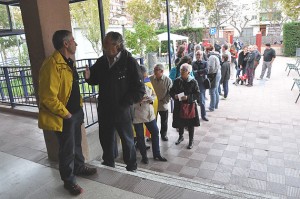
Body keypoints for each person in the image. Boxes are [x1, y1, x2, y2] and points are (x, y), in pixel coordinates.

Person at [38, 30, 97, 196]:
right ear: (66, 43)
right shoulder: (52, 65)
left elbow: (71, 88)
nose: (75, 44)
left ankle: (79, 167)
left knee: (76, 144)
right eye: (73, 41)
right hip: (64, 116)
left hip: (75, 112)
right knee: (67, 150)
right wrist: (67, 115)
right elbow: (48, 98)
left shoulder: (68, 62)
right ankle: (69, 182)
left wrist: (77, 109)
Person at [84, 31, 145, 172]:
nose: (103, 46)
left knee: (128, 141)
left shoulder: (129, 62)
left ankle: (131, 167)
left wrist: (124, 103)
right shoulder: (102, 61)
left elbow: (139, 90)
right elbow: (94, 79)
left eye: (106, 43)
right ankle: (108, 164)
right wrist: (88, 77)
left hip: (122, 110)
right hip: (105, 109)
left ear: (116, 45)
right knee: (106, 139)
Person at [133, 66, 167, 164]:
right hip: (138, 114)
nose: (145, 78)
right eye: (143, 76)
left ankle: (157, 154)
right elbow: (129, 101)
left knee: (155, 132)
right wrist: (138, 100)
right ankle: (144, 156)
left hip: (149, 113)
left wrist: (151, 98)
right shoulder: (132, 86)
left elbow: (154, 95)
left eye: (145, 76)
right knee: (140, 136)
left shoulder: (147, 83)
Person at [170, 63, 200, 149]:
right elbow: (171, 91)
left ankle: (191, 140)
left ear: (189, 72)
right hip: (179, 105)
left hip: (189, 106)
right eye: (181, 70)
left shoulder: (193, 81)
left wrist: (188, 97)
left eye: (184, 70)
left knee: (190, 124)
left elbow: (197, 94)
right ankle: (180, 136)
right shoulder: (177, 81)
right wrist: (174, 96)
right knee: (180, 122)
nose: (182, 72)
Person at [150, 63, 172, 141]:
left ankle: (163, 135)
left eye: (156, 70)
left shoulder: (168, 80)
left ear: (162, 71)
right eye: (154, 70)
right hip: (153, 105)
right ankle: (151, 135)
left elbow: (170, 93)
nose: (154, 72)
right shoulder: (150, 79)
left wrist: (165, 101)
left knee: (164, 121)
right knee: (152, 121)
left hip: (163, 104)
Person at [192, 50, 209, 121]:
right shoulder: (193, 63)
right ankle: (193, 116)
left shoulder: (205, 63)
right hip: (194, 84)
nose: (198, 56)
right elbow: (193, 73)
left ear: (202, 55)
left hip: (202, 84)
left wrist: (198, 72)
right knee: (193, 101)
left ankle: (203, 115)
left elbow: (206, 71)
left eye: (200, 55)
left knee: (202, 101)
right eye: (197, 55)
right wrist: (201, 72)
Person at [206, 45, 221, 111]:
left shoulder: (211, 57)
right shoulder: (216, 55)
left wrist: (208, 73)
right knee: (216, 90)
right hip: (218, 73)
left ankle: (212, 107)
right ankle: (215, 105)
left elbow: (211, 68)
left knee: (212, 91)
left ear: (208, 51)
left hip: (214, 75)